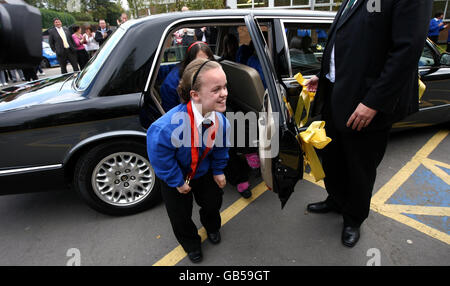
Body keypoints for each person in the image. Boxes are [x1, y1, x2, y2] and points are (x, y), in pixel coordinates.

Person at [305, 0, 432, 248]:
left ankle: (354, 218)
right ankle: (337, 199)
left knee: (359, 164)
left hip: (366, 100)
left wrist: (374, 102)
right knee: (334, 155)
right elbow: (352, 44)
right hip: (336, 92)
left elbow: (407, 51)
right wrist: (324, 75)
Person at [147, 58, 229, 263]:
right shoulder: (165, 128)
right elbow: (161, 158)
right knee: (180, 216)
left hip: (204, 172)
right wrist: (176, 181)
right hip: (175, 176)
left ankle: (211, 226)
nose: (225, 93)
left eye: (225, 86)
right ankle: (191, 243)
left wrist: (219, 170)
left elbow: (220, 148)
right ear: (195, 95)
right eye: (216, 89)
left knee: (212, 203)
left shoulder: (221, 121)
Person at [160, 41, 214, 112]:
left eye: (206, 61)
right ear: (190, 61)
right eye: (198, 62)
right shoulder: (173, 83)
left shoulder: (198, 73)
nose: (204, 66)